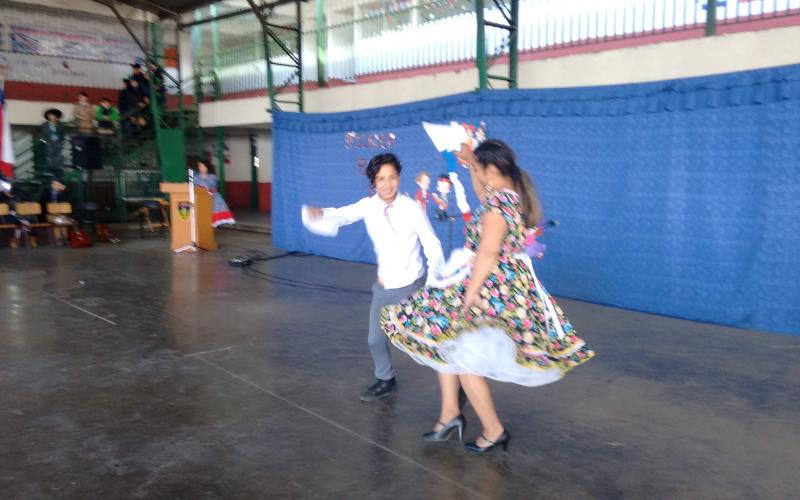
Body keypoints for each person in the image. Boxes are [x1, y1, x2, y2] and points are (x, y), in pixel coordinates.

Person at [381, 140, 594, 453]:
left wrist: (471, 292)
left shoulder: (499, 205)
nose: (477, 176)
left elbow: (489, 251)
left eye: (480, 170)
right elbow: (482, 193)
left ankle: (493, 430)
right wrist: (471, 162)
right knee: (446, 340)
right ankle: (450, 414)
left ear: (492, 170)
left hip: (491, 287)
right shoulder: (508, 196)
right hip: (499, 283)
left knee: (464, 359)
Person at [303, 153, 445, 402]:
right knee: (375, 340)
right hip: (385, 287)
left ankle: (457, 383)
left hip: (412, 286)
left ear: (399, 177)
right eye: (381, 179)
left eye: (392, 177)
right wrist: (320, 214)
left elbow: (431, 243)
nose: (387, 184)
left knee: (430, 340)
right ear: (374, 182)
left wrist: (433, 283)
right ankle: (386, 380)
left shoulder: (411, 208)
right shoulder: (369, 206)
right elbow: (342, 215)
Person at [193, 159, 235, 227]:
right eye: (199, 166)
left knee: (217, 201)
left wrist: (205, 187)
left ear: (207, 167)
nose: (200, 167)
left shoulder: (212, 176)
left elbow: (211, 186)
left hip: (211, 195)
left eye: (202, 166)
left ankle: (213, 222)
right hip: (199, 195)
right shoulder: (195, 176)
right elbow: (193, 185)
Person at [41, 179, 75, 245]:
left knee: (60, 219)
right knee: (59, 220)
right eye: (53, 184)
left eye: (57, 184)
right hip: (50, 215)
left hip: (61, 214)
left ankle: (62, 239)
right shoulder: (46, 193)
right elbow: (42, 205)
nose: (54, 185)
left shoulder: (64, 193)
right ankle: (60, 239)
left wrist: (64, 190)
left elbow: (68, 204)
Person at [39, 109, 65, 178]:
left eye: (53, 116)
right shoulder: (44, 125)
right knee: (49, 157)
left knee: (58, 157)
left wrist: (61, 142)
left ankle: (58, 171)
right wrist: (45, 142)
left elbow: (62, 135)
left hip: (58, 144)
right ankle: (49, 171)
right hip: (48, 144)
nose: (52, 117)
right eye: (50, 116)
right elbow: (41, 137)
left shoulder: (60, 125)